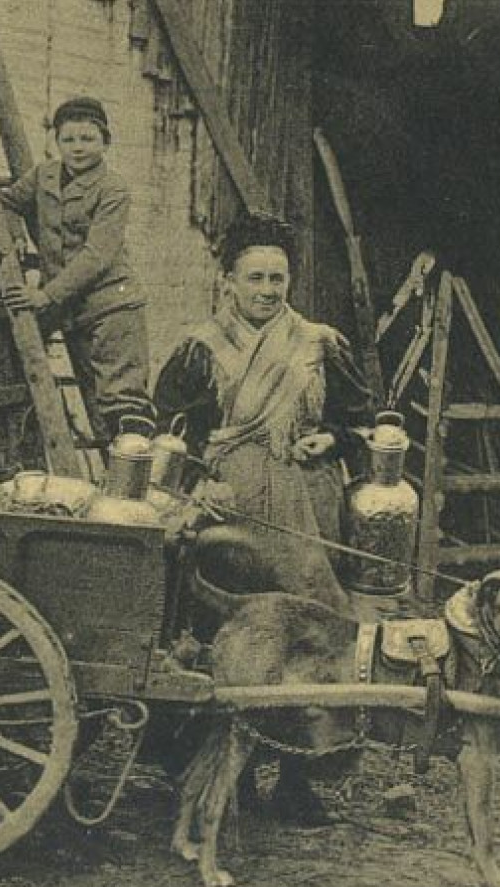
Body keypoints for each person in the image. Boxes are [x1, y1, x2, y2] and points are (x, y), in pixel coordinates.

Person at [154, 214, 374, 606]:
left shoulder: (318, 344)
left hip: (308, 495)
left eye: (278, 279)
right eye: (255, 278)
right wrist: (196, 482)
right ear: (228, 281)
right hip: (228, 495)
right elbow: (170, 429)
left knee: (308, 603)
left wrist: (331, 439)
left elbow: (363, 423)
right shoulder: (200, 349)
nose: (268, 290)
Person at [0, 96, 154, 441]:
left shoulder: (113, 189)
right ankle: (109, 486)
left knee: (122, 403)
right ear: (57, 142)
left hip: (112, 306)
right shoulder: (44, 175)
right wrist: (16, 237)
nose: (78, 148)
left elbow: (97, 255)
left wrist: (47, 295)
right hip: (72, 309)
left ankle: (138, 483)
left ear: (105, 142)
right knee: (97, 407)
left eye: (88, 139)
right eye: (68, 139)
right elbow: (7, 202)